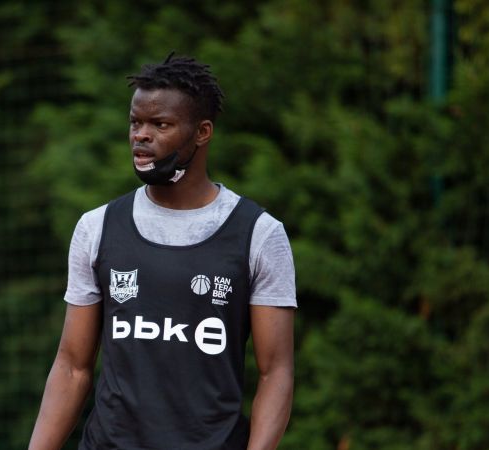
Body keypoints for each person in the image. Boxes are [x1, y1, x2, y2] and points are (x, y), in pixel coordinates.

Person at [29, 53, 296, 450]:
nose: (141, 135)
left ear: (202, 132)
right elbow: (72, 367)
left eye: (160, 124)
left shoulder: (259, 234)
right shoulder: (97, 227)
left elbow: (276, 374)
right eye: (135, 122)